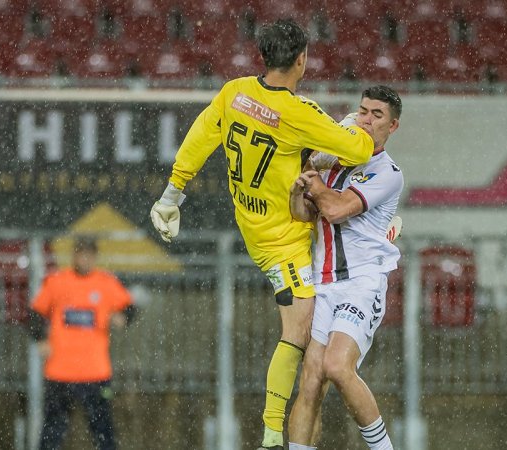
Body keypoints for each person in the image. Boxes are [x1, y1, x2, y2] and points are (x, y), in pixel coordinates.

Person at [148, 18, 375, 450]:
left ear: (263, 57)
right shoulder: (299, 112)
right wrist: (348, 123)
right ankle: (273, 431)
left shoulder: (234, 92)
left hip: (252, 224)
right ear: (302, 60)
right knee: (299, 330)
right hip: (282, 242)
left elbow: (200, 136)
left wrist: (172, 193)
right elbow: (362, 149)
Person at [287, 85, 404, 450]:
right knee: (310, 381)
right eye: (363, 111)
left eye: (377, 115)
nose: (366, 120)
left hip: (361, 282)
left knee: (338, 366)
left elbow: (336, 210)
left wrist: (315, 179)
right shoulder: (333, 162)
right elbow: (304, 213)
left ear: (393, 126)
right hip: (324, 283)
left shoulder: (388, 172)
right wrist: (298, 186)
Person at [29, 235, 136, 450]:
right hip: (60, 371)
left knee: (103, 431)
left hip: (95, 372)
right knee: (52, 430)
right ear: (74, 255)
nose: (84, 259)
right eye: (81, 253)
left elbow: (130, 309)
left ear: (95, 257)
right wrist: (41, 340)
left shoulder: (105, 283)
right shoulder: (58, 281)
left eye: (89, 254)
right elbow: (34, 315)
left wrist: (122, 318)